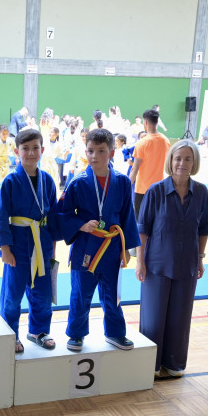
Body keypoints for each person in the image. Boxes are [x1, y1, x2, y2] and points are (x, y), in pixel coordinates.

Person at [59, 129, 140, 352]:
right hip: (86, 245)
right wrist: (80, 225)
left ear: (112, 153)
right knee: (81, 293)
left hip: (113, 247)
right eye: (90, 151)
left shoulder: (122, 182)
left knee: (112, 293)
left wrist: (127, 249)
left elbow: (128, 216)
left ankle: (115, 333)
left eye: (101, 151)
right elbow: (63, 214)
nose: (94, 156)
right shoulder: (77, 182)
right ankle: (76, 334)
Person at [135, 140, 208, 379]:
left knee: (180, 316)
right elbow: (143, 228)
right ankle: (150, 364)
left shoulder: (201, 192)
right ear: (171, 161)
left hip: (187, 263)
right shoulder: (156, 191)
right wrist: (140, 261)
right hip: (156, 263)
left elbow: (203, 229)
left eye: (188, 159)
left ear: (194, 162)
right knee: (153, 318)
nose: (182, 163)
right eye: (178, 158)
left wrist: (199, 259)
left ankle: (175, 363)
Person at [0, 128, 60, 353]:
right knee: (13, 293)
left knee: (42, 291)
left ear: (42, 149)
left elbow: (53, 217)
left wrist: (52, 248)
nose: (31, 153)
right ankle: (11, 334)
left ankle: (38, 330)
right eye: (25, 148)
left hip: (41, 242)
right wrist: (5, 249)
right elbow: (0, 216)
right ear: (16, 151)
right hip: (18, 242)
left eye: (35, 148)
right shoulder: (10, 181)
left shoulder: (48, 181)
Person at [130, 109, 170, 219]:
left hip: (142, 189)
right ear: (157, 122)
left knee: (141, 221)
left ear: (145, 123)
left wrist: (128, 184)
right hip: (160, 187)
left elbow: (135, 168)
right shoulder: (165, 141)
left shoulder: (142, 143)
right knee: (157, 219)